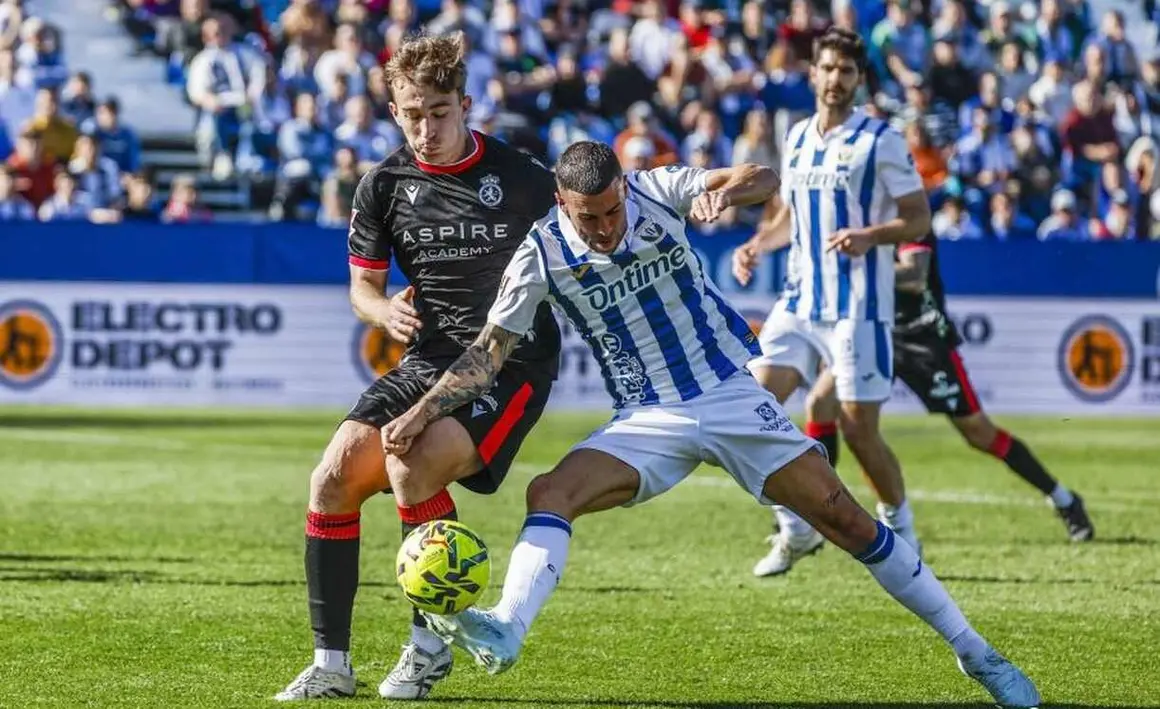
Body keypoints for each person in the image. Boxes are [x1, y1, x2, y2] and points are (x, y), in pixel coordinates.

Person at [382, 141, 1040, 709]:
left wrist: (724, 193)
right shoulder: (539, 254)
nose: (606, 227)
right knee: (549, 491)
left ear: (623, 189)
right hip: (647, 416)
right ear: (561, 202)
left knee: (845, 518)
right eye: (590, 217)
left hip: (728, 393)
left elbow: (763, 177)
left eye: (612, 211)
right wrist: (422, 410)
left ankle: (975, 652)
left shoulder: (655, 189)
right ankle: (506, 627)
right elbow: (488, 354)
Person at [275, 33, 562, 702]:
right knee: (332, 478)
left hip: (512, 360)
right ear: (394, 111)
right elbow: (363, 288)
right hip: (429, 355)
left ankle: (429, 649)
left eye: (439, 112)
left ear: (465, 105)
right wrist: (382, 312)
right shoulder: (383, 186)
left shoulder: (523, 178)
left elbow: (588, 246)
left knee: (413, 462)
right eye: (412, 115)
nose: (426, 129)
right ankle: (331, 666)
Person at [750, 232, 1096, 550]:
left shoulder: (904, 213)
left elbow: (914, 277)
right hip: (871, 330)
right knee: (820, 404)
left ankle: (1063, 498)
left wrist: (857, 270)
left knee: (979, 433)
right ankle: (814, 516)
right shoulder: (854, 209)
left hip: (921, 339)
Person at [732, 27, 932, 577]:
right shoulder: (797, 135)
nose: (835, 79)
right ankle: (796, 528)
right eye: (827, 68)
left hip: (857, 306)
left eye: (846, 71)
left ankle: (902, 530)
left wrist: (872, 235)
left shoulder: (880, 140)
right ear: (813, 73)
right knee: (745, 407)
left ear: (859, 78)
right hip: (800, 300)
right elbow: (790, 215)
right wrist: (757, 244)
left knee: (858, 430)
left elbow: (918, 218)